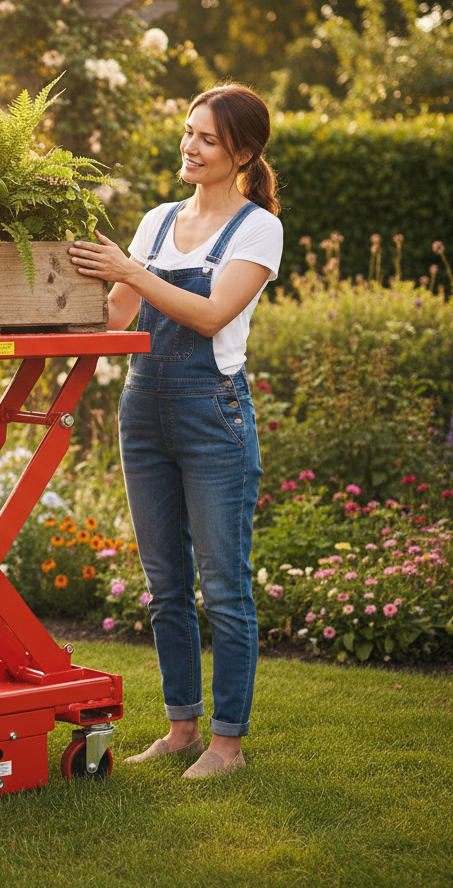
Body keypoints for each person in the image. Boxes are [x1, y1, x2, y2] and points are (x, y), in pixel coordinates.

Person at [68, 83, 283, 778]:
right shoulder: (157, 221)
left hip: (211, 413)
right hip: (143, 409)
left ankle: (228, 745)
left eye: (208, 138)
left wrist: (133, 270)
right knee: (165, 585)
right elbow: (114, 318)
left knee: (224, 587)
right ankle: (182, 729)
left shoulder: (257, 228)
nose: (190, 147)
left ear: (242, 152)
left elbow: (212, 314)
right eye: (188, 132)